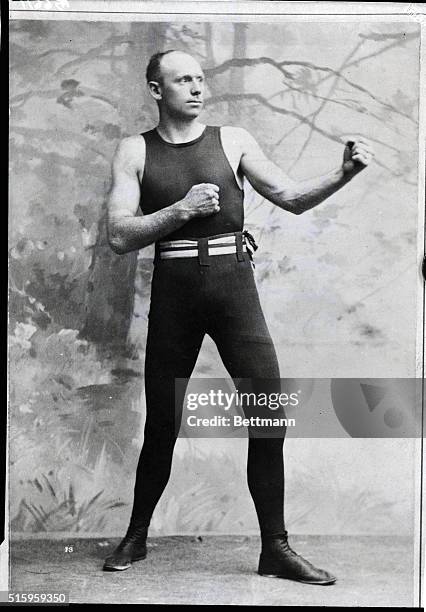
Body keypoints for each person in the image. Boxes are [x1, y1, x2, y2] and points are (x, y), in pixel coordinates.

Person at [103, 50, 374, 583]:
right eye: (183, 80)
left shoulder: (234, 140)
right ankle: (135, 537)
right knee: (162, 423)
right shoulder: (134, 150)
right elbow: (117, 235)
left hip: (234, 291)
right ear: (156, 90)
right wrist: (180, 211)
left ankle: (275, 548)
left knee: (267, 416)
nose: (197, 88)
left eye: (200, 79)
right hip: (175, 294)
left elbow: (290, 197)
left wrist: (343, 174)